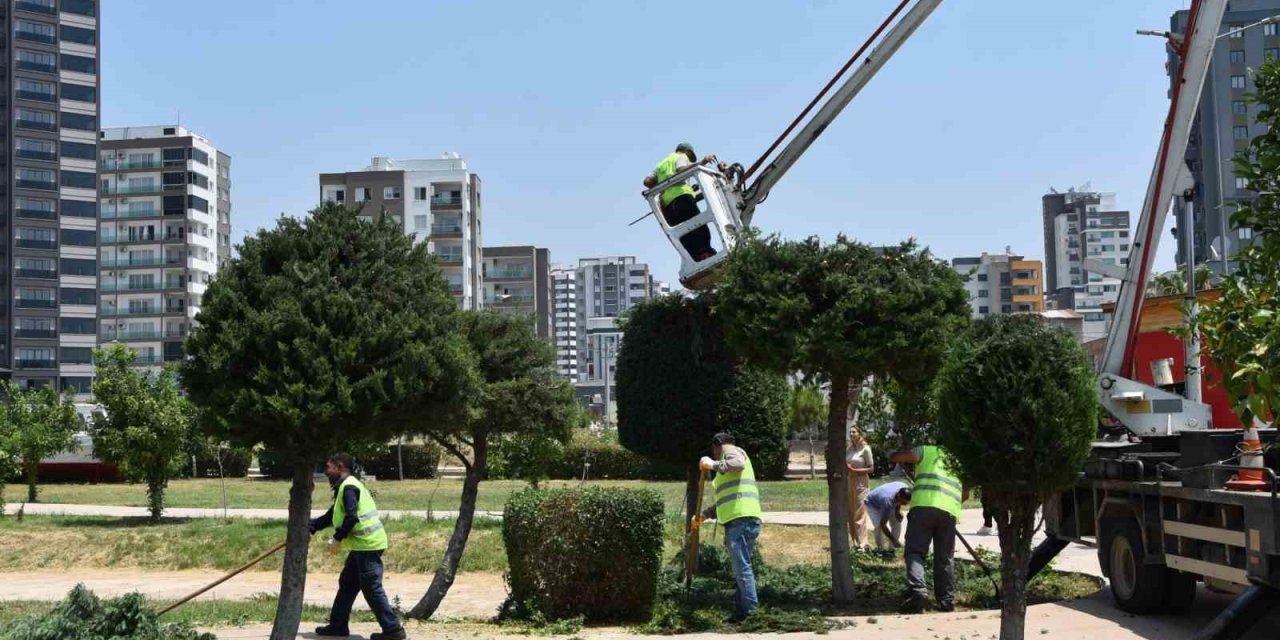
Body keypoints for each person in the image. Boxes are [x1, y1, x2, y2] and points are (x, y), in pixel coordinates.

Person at [310, 453, 406, 640]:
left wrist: (337, 538)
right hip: (361, 546)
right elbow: (333, 514)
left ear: (339, 467)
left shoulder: (349, 488)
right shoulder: (344, 487)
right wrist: (313, 525)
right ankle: (338, 626)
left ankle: (393, 630)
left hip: (369, 545)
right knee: (348, 583)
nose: (326, 472)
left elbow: (352, 517)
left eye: (328, 468)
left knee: (371, 588)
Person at [693, 432, 762, 623]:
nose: (714, 455)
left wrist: (712, 464)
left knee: (742, 569)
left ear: (718, 445)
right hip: (740, 520)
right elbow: (724, 501)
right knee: (741, 568)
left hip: (742, 520)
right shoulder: (725, 468)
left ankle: (750, 614)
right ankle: (742, 612)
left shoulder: (731, 451)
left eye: (714, 451)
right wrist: (704, 515)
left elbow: (738, 463)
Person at [890, 443, 966, 614]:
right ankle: (946, 601)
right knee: (945, 557)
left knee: (915, 552)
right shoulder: (959, 462)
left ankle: (918, 591)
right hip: (949, 511)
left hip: (923, 508)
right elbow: (965, 494)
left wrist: (893, 454)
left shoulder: (926, 450)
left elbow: (900, 458)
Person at [643, 143, 717, 261]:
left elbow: (647, 182)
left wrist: (665, 185)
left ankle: (696, 259)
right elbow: (682, 170)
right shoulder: (681, 156)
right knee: (700, 228)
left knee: (684, 235)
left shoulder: (661, 164)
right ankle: (707, 254)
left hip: (668, 206)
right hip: (683, 198)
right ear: (686, 151)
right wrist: (702, 161)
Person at [846, 427, 874, 547]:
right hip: (849, 481)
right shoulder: (850, 448)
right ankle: (855, 542)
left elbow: (871, 468)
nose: (851, 434)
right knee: (851, 512)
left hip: (861, 482)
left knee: (860, 512)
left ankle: (863, 543)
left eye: (854, 432)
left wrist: (855, 470)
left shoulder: (866, 449)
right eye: (850, 432)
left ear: (860, 433)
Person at [864, 481, 911, 549]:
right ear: (898, 496)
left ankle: (892, 549)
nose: (904, 505)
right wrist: (893, 539)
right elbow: (883, 524)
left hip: (885, 500)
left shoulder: (904, 487)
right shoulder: (888, 501)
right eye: (903, 503)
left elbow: (899, 502)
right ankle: (881, 549)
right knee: (879, 527)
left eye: (906, 504)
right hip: (872, 504)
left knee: (897, 522)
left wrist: (897, 511)